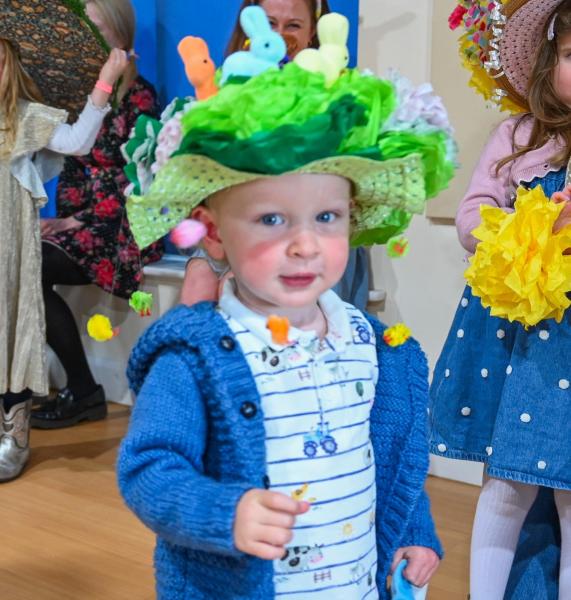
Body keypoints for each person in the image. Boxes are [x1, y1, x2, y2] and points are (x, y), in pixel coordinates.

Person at [118, 9, 457, 597]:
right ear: (214, 232)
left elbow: (390, 458)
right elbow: (149, 468)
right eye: (272, 219)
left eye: (326, 217)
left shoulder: (370, 343)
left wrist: (414, 531)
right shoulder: (195, 356)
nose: (305, 245)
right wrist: (225, 513)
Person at [430, 1, 571, 598]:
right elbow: (472, 215)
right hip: (519, 342)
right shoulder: (517, 137)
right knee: (506, 483)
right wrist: (519, 228)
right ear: (547, 61)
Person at [0, 7, 130, 481]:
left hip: (9, 252)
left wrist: (105, 81)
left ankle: (13, 432)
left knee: (11, 331)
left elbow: (77, 141)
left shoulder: (23, 117)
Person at [180, 0, 370, 312]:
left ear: (312, 32)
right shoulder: (232, 83)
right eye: (269, 24)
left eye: (293, 25)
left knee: (262, 294)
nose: (279, 35)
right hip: (237, 221)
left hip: (308, 229)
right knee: (198, 284)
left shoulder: (335, 93)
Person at [31, 0, 163, 431]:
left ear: (119, 37)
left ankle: (83, 389)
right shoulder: (82, 96)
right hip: (86, 223)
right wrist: (65, 218)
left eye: (96, 28)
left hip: (122, 227)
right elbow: (72, 167)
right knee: (21, 262)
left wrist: (81, 220)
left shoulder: (140, 97)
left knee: (32, 266)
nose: (85, 37)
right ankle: (48, 383)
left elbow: (138, 177)